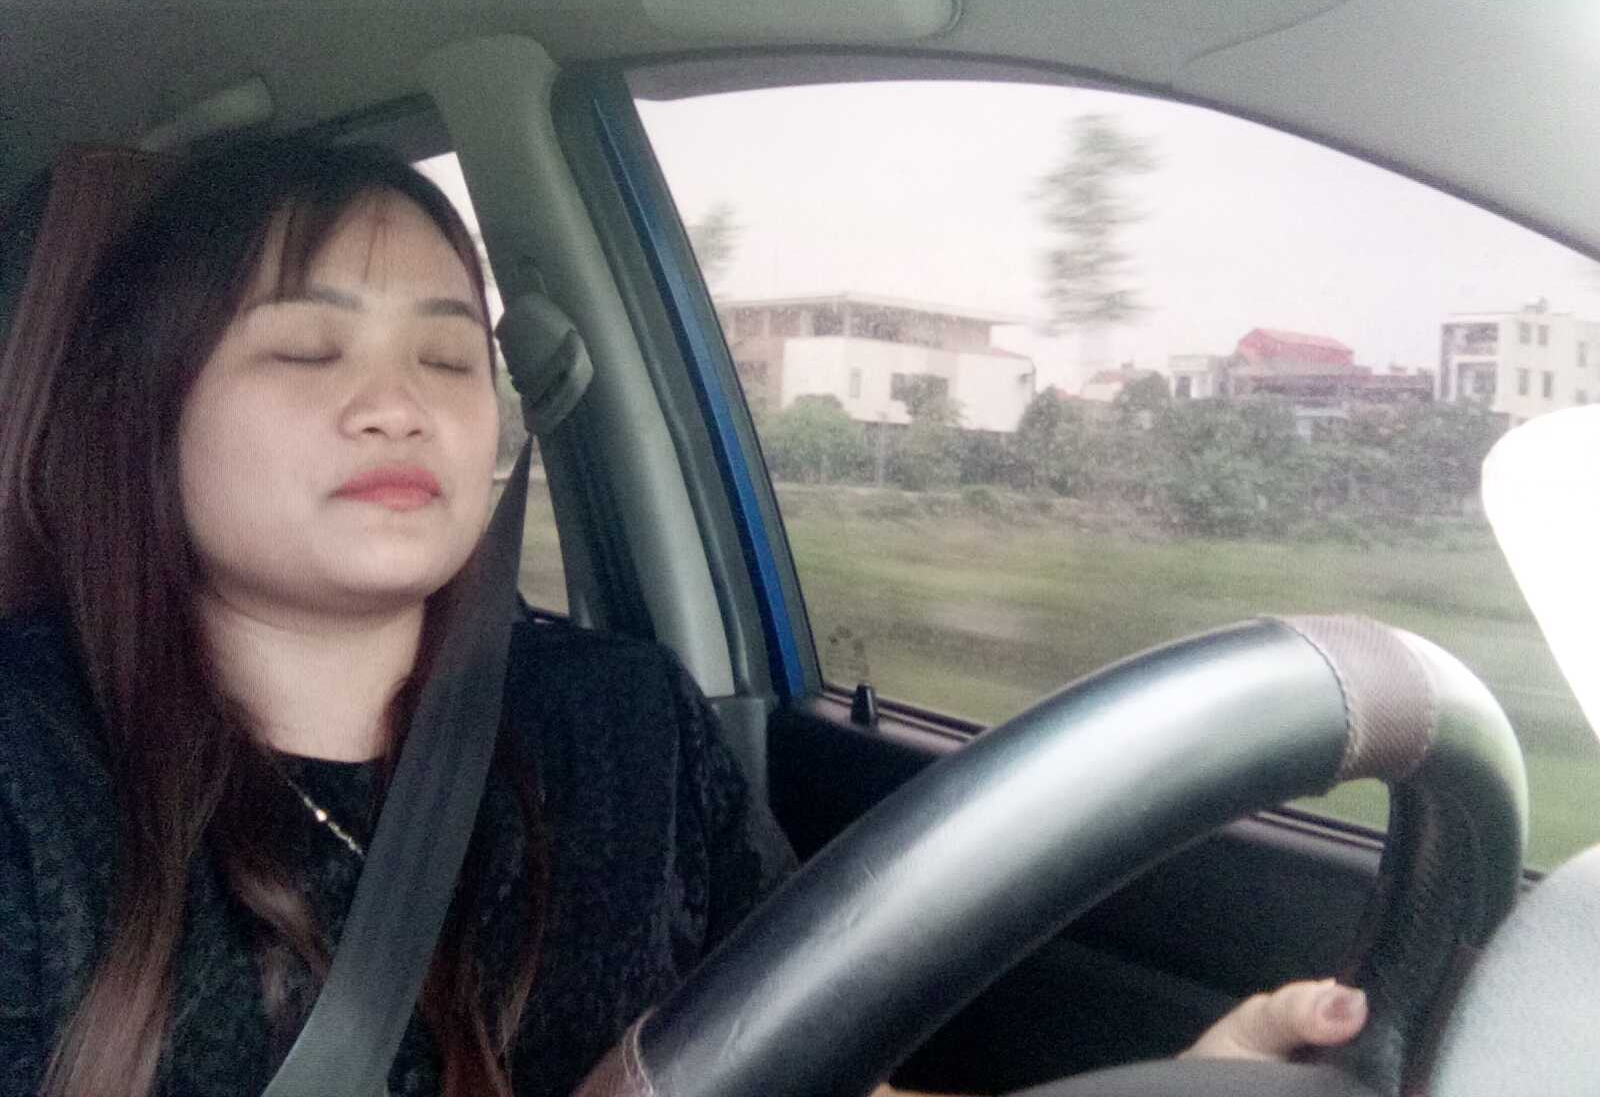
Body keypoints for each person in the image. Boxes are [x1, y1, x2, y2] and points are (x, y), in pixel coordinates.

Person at [0, 138, 1364, 1097]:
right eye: (307, 348)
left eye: (449, 356)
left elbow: (799, 1068)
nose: (398, 404)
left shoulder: (627, 723)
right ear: (148, 415)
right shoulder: (30, 772)